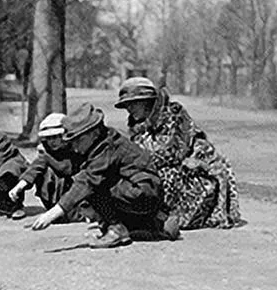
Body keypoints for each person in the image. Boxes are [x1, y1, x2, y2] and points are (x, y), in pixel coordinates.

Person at [28, 103, 178, 248]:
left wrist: (53, 213)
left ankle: (116, 229)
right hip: (140, 192)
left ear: (93, 133)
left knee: (93, 186)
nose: (75, 146)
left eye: (78, 140)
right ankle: (154, 224)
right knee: (95, 183)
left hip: (143, 193)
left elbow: (86, 182)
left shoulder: (107, 147)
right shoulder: (102, 140)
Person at [114, 76, 243, 229]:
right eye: (126, 105)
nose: (129, 109)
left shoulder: (173, 116)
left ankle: (164, 218)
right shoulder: (138, 126)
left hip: (197, 176)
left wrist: (133, 163)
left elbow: (172, 154)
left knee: (155, 179)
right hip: (168, 170)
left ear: (146, 101)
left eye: (133, 103)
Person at [7, 113, 83, 223]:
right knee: (46, 173)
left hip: (77, 194)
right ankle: (55, 208)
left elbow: (67, 169)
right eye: (48, 138)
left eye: (55, 137)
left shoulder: (75, 148)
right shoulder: (46, 151)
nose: (52, 141)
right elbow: (35, 168)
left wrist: (47, 157)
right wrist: (19, 186)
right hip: (58, 195)